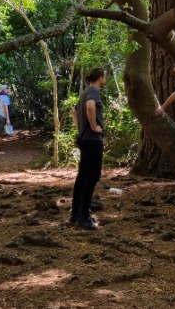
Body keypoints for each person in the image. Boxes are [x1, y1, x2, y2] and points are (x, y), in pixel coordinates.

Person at [70, 68, 106, 231]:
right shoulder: (93, 92)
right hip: (92, 140)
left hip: (84, 139)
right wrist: (93, 127)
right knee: (92, 177)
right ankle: (84, 216)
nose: (104, 80)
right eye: (104, 77)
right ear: (100, 78)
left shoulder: (85, 92)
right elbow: (90, 107)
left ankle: (75, 214)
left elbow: (75, 112)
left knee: (82, 177)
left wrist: (81, 129)